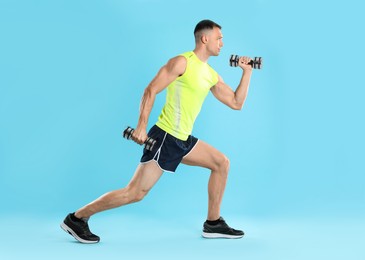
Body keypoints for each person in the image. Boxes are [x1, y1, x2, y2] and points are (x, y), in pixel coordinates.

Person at [61, 19, 253, 243]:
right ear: (205, 38)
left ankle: (213, 223)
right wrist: (141, 126)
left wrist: (246, 72)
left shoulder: (210, 74)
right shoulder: (182, 62)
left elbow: (236, 102)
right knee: (135, 193)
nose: (222, 42)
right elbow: (151, 90)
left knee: (221, 163)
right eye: (219, 38)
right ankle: (77, 218)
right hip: (165, 137)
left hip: (183, 139)